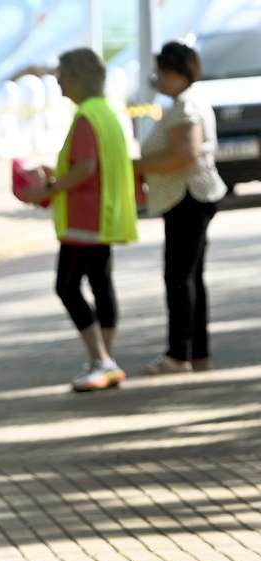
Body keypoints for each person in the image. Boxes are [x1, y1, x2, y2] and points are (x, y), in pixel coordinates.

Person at [22, 48, 137, 392]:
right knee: (101, 286)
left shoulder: (87, 115)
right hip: (104, 216)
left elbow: (86, 169)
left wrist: (49, 187)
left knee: (67, 286)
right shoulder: (105, 112)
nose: (58, 81)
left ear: (78, 77)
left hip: (84, 220)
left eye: (62, 75)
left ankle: (102, 360)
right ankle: (105, 360)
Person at [133, 41, 227, 375]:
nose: (157, 78)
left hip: (186, 197)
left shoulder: (186, 106)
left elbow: (184, 153)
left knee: (179, 276)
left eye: (162, 72)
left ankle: (180, 353)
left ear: (175, 72)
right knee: (190, 277)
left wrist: (139, 165)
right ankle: (196, 351)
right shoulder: (185, 102)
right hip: (187, 198)